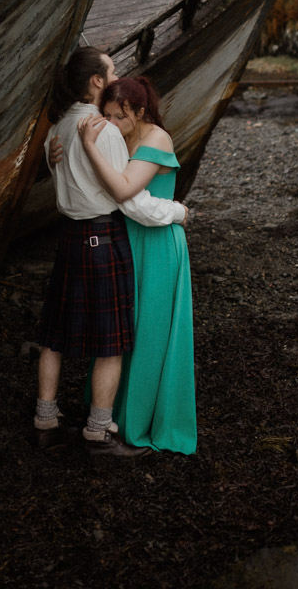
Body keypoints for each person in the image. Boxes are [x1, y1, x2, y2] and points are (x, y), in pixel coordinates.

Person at [34, 47, 187, 458]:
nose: (117, 76)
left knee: (53, 337)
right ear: (97, 81)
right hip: (102, 237)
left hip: (68, 237)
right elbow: (129, 199)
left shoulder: (57, 128)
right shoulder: (103, 131)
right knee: (110, 342)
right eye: (112, 71)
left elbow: (57, 166)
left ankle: (45, 421)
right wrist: (177, 211)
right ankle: (98, 432)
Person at [78, 75, 196, 455]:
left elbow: (124, 194)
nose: (113, 124)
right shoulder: (118, 137)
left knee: (149, 332)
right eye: (108, 116)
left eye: (121, 116)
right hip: (127, 240)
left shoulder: (156, 139)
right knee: (121, 331)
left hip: (157, 244)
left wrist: (175, 213)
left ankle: (141, 421)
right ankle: (108, 414)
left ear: (141, 112)